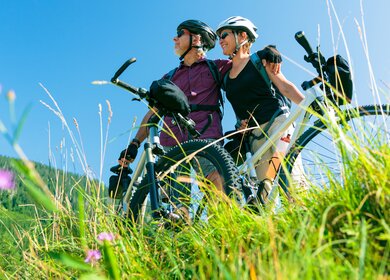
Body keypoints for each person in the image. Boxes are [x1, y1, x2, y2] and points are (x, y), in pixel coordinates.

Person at [216, 16, 305, 203]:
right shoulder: (226, 79)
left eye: (224, 35)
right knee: (265, 196)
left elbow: (285, 87)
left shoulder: (260, 60)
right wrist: (240, 124)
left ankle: (309, 222)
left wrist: (311, 105)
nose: (220, 40)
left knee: (291, 181)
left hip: (278, 124)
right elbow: (240, 109)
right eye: (219, 37)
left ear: (242, 36)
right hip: (255, 137)